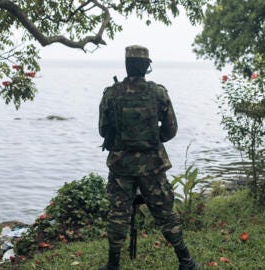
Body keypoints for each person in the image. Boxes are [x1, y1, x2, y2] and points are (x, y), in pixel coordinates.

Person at [98, 45, 199, 270]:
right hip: (152, 165)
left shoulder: (111, 94)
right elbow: (171, 129)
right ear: (146, 67)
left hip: (121, 166)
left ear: (126, 66)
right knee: (165, 212)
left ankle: (112, 264)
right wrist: (153, 139)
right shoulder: (158, 93)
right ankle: (185, 260)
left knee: (118, 214)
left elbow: (103, 131)